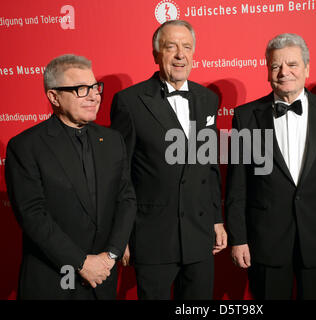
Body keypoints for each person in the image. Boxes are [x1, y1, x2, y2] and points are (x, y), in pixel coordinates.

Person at [225, 33, 316, 300]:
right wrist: (238, 238)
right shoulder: (246, 116)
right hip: (266, 242)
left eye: (292, 64)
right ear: (267, 71)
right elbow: (237, 184)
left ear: (307, 69)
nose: (283, 72)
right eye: (275, 66)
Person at [110, 20, 227, 300]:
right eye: (171, 46)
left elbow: (209, 166)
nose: (180, 54)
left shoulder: (208, 99)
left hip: (199, 236)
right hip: (153, 236)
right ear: (156, 54)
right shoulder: (129, 101)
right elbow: (119, 173)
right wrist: (120, 235)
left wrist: (216, 219)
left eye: (187, 47)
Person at [5, 54, 136, 299]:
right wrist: (82, 263)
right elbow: (33, 215)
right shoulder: (26, 146)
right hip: (53, 280)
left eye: (95, 87)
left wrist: (110, 256)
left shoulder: (112, 141)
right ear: (53, 96)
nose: (94, 96)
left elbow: (126, 199)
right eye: (80, 89)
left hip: (103, 279)